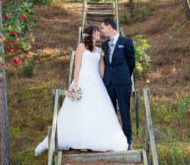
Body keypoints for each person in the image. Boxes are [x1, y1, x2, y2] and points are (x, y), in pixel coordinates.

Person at [34, 26, 128, 156]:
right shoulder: (81, 47)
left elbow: (102, 70)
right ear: (91, 34)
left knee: (96, 110)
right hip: (82, 81)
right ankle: (70, 140)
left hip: (96, 83)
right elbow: (77, 65)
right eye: (97, 32)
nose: (99, 33)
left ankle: (94, 141)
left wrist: (108, 83)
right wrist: (76, 82)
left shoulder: (99, 50)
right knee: (77, 109)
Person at [100, 19, 135, 150]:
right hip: (108, 83)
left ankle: (128, 141)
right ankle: (112, 141)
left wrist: (124, 76)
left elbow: (131, 63)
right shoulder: (104, 45)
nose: (101, 30)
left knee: (125, 111)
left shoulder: (126, 42)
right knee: (110, 112)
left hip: (122, 82)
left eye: (102, 28)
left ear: (110, 26)